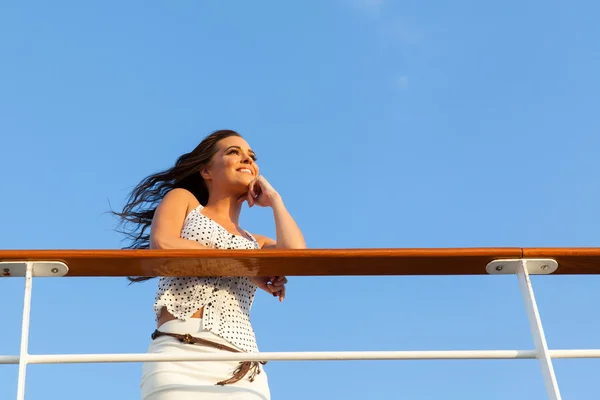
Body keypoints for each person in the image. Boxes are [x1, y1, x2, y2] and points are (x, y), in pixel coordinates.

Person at [112, 129, 306, 400]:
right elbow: (163, 246)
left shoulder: (257, 243)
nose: (247, 160)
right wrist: (247, 268)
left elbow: (296, 256)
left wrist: (275, 200)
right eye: (233, 152)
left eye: (251, 156)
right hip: (180, 356)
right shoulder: (184, 201)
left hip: (243, 367)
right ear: (206, 171)